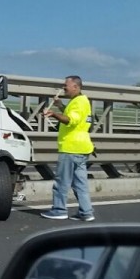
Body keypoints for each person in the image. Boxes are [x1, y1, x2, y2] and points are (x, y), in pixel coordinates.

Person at [40, 75, 95, 221]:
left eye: (66, 86)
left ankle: (59, 210)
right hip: (82, 147)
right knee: (80, 183)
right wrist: (59, 105)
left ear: (76, 87)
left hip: (71, 147)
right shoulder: (81, 101)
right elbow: (72, 115)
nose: (63, 88)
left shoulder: (78, 102)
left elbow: (70, 120)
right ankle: (86, 212)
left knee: (62, 182)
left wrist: (53, 114)